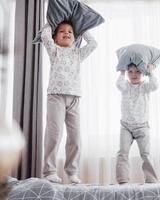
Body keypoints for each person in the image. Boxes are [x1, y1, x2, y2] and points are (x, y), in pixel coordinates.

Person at [41, 21, 97, 184]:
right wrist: (51, 21)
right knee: (54, 133)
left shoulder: (78, 53)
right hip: (56, 96)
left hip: (74, 98)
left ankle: (72, 171)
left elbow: (94, 44)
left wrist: (82, 29)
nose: (66, 33)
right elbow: (45, 36)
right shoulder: (54, 50)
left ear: (75, 37)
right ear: (56, 38)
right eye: (62, 31)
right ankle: (49, 171)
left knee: (75, 136)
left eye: (70, 32)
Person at [116, 63, 158, 184]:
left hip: (142, 126)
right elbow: (118, 84)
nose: (134, 74)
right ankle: (122, 181)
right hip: (126, 126)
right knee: (122, 153)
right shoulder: (125, 86)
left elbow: (155, 85)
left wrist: (150, 72)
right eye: (131, 72)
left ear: (143, 73)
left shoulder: (145, 87)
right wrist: (122, 72)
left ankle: (151, 180)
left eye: (138, 72)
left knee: (146, 154)